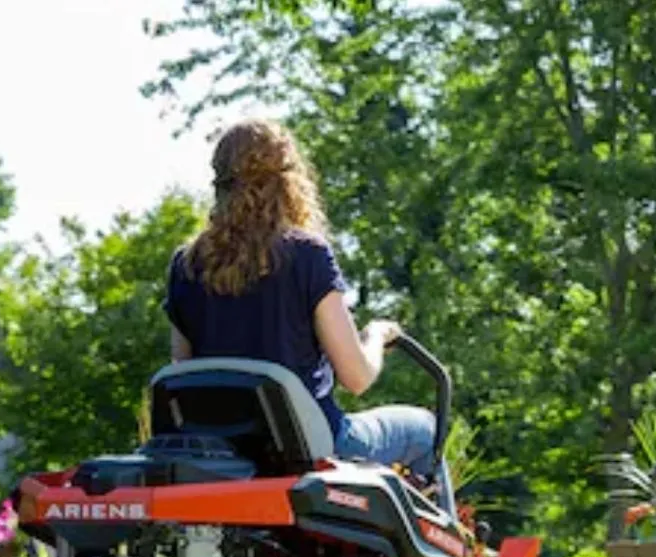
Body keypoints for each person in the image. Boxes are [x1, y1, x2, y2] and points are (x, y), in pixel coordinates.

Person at [162, 118, 455, 514]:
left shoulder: (186, 265)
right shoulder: (305, 254)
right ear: (288, 178)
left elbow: (186, 373)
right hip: (310, 446)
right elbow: (357, 377)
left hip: (218, 450)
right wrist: (376, 336)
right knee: (424, 428)